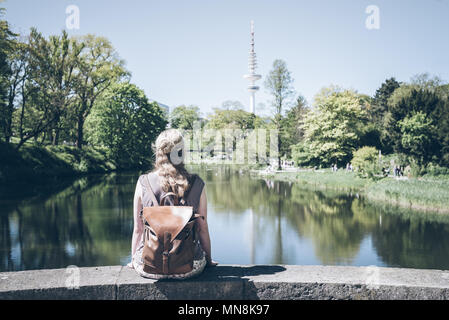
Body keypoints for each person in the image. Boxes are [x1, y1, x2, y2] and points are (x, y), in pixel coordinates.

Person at [128, 129, 218, 279]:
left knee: (140, 257)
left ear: (158, 152)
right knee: (198, 257)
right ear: (182, 153)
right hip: (189, 267)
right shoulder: (197, 183)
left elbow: (138, 228)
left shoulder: (143, 182)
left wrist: (133, 260)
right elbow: (202, 228)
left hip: (149, 267)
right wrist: (208, 260)